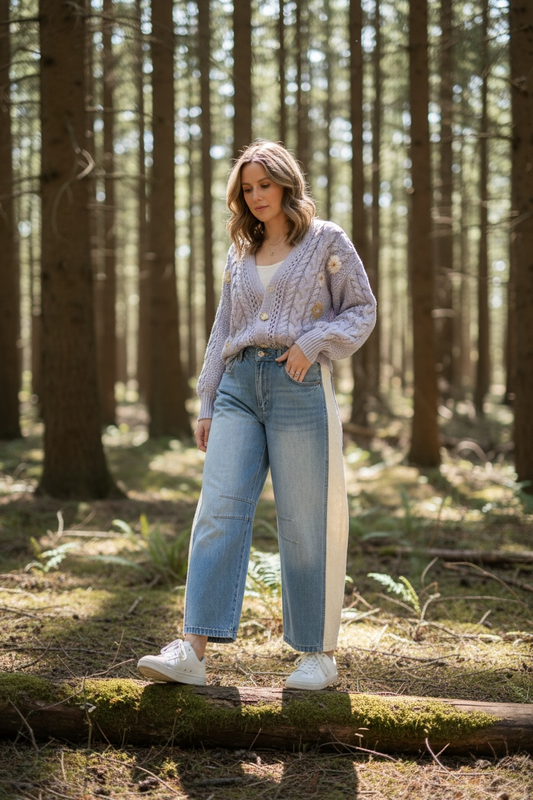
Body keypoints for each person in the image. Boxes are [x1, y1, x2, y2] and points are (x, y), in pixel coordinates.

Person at [137, 140, 376, 690]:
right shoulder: (240, 250)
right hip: (239, 387)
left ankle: (316, 654)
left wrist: (313, 342)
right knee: (218, 510)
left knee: (303, 518)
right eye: (247, 188)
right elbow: (224, 326)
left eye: (265, 184)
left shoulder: (326, 241)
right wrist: (206, 399)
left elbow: (362, 309)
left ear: (287, 184)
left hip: (298, 386)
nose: (257, 196)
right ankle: (192, 648)